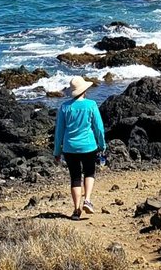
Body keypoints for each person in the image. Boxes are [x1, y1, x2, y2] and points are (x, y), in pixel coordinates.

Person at [53, 77, 106, 220]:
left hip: (69, 148)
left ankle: (76, 210)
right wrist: (102, 145)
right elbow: (99, 128)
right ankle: (87, 200)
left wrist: (57, 151)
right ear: (85, 90)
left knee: (75, 177)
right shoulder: (91, 105)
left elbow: (59, 131)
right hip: (89, 146)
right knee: (89, 173)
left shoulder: (65, 107)